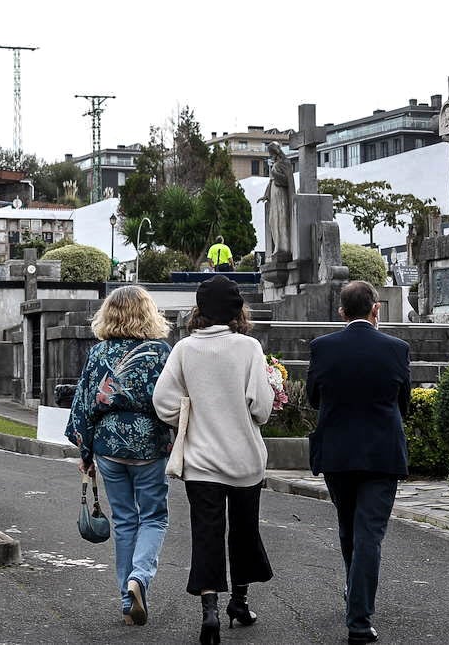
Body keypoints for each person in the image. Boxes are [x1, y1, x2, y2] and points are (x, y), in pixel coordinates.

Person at [153, 275, 274, 645]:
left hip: (201, 461)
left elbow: (162, 402)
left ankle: (209, 610)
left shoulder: (185, 349)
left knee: (206, 532)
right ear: (238, 310)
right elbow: (262, 408)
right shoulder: (248, 348)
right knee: (243, 530)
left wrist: (189, 414)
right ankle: (239, 601)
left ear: (199, 311)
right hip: (243, 458)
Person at [307, 280, 410, 645]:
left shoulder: (322, 347)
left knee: (349, 528)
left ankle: (356, 598)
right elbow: (404, 402)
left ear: (341, 312)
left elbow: (314, 398)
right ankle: (360, 619)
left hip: (337, 451)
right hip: (382, 453)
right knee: (370, 534)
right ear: (376, 309)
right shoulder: (397, 349)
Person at [66, 286, 174, 626]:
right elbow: (172, 401)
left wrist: (85, 452)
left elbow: (84, 403)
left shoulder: (99, 353)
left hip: (109, 446)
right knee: (154, 516)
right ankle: (139, 577)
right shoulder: (160, 352)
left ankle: (128, 602)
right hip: (149, 445)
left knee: (125, 520)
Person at [257, 142, 294, 263]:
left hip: (281, 194)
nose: (271, 155)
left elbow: (287, 181)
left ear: (277, 152)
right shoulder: (275, 164)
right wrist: (265, 195)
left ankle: (282, 247)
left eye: (272, 153)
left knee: (280, 219)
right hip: (273, 193)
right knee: (273, 220)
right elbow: (270, 182)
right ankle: (277, 245)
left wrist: (276, 175)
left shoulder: (285, 163)